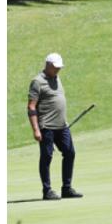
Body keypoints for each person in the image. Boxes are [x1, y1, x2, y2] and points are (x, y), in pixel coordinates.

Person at [28, 53, 82, 200]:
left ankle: (66, 188)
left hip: (62, 126)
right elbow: (31, 107)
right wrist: (36, 129)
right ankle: (47, 191)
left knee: (70, 153)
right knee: (47, 156)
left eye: (59, 67)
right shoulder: (37, 82)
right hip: (46, 126)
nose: (58, 70)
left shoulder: (57, 77)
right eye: (56, 67)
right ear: (48, 65)